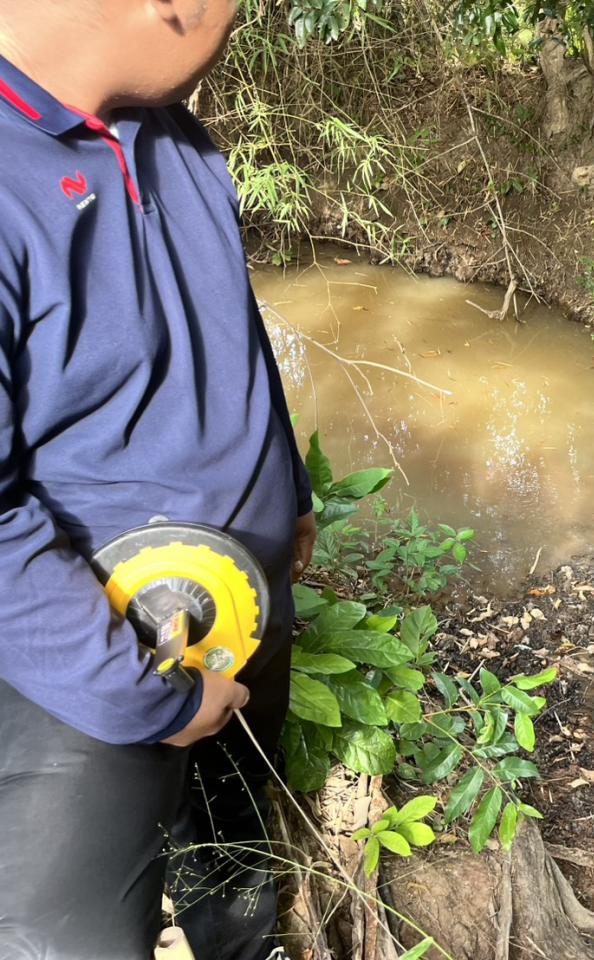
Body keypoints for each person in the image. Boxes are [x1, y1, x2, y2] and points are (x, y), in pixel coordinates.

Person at [0, 3, 314, 959]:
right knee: (67, 937)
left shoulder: (176, 141)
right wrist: (153, 698)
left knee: (233, 857)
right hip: (86, 668)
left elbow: (233, 335)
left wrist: (286, 489)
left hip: (241, 617)